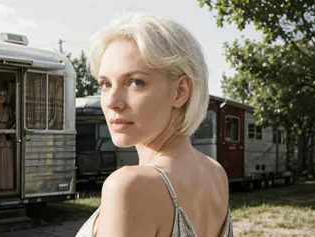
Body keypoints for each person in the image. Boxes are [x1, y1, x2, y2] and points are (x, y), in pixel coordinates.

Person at [75, 11, 233, 237]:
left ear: (180, 91)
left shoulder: (128, 187)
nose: (111, 102)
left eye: (135, 82)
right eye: (105, 84)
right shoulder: (215, 172)